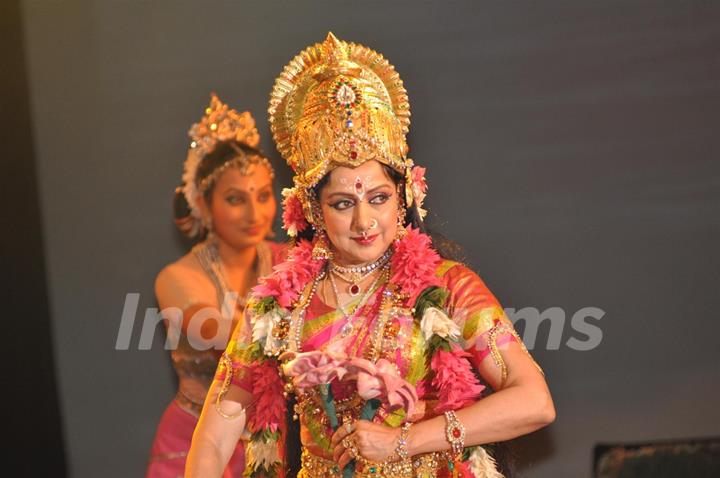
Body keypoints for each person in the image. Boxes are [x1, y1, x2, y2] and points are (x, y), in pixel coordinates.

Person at [186, 34, 555, 478]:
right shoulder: (278, 306)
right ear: (312, 210)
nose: (365, 221)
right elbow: (214, 435)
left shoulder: (449, 286)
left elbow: (534, 401)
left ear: (405, 197)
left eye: (378, 198)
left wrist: (404, 441)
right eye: (343, 203)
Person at [147, 94, 286, 477]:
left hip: (272, 437)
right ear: (204, 206)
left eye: (262, 196)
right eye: (235, 199)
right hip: (191, 442)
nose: (255, 213)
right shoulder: (177, 278)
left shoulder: (290, 262)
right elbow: (218, 331)